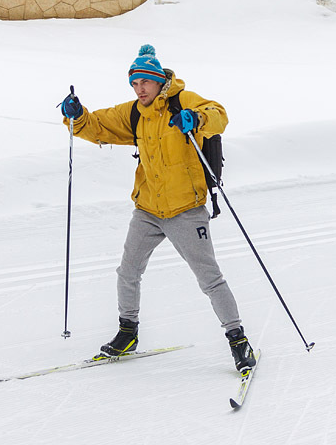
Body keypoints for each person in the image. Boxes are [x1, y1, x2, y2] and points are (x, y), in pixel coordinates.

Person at [59, 44, 256, 372]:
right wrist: (76, 115)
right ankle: (128, 332)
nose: (139, 90)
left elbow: (219, 115)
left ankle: (238, 340)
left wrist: (197, 118)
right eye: (134, 85)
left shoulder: (184, 100)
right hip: (148, 209)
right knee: (127, 271)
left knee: (209, 278)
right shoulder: (135, 112)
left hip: (186, 209)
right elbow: (97, 126)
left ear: (157, 81)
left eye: (144, 84)